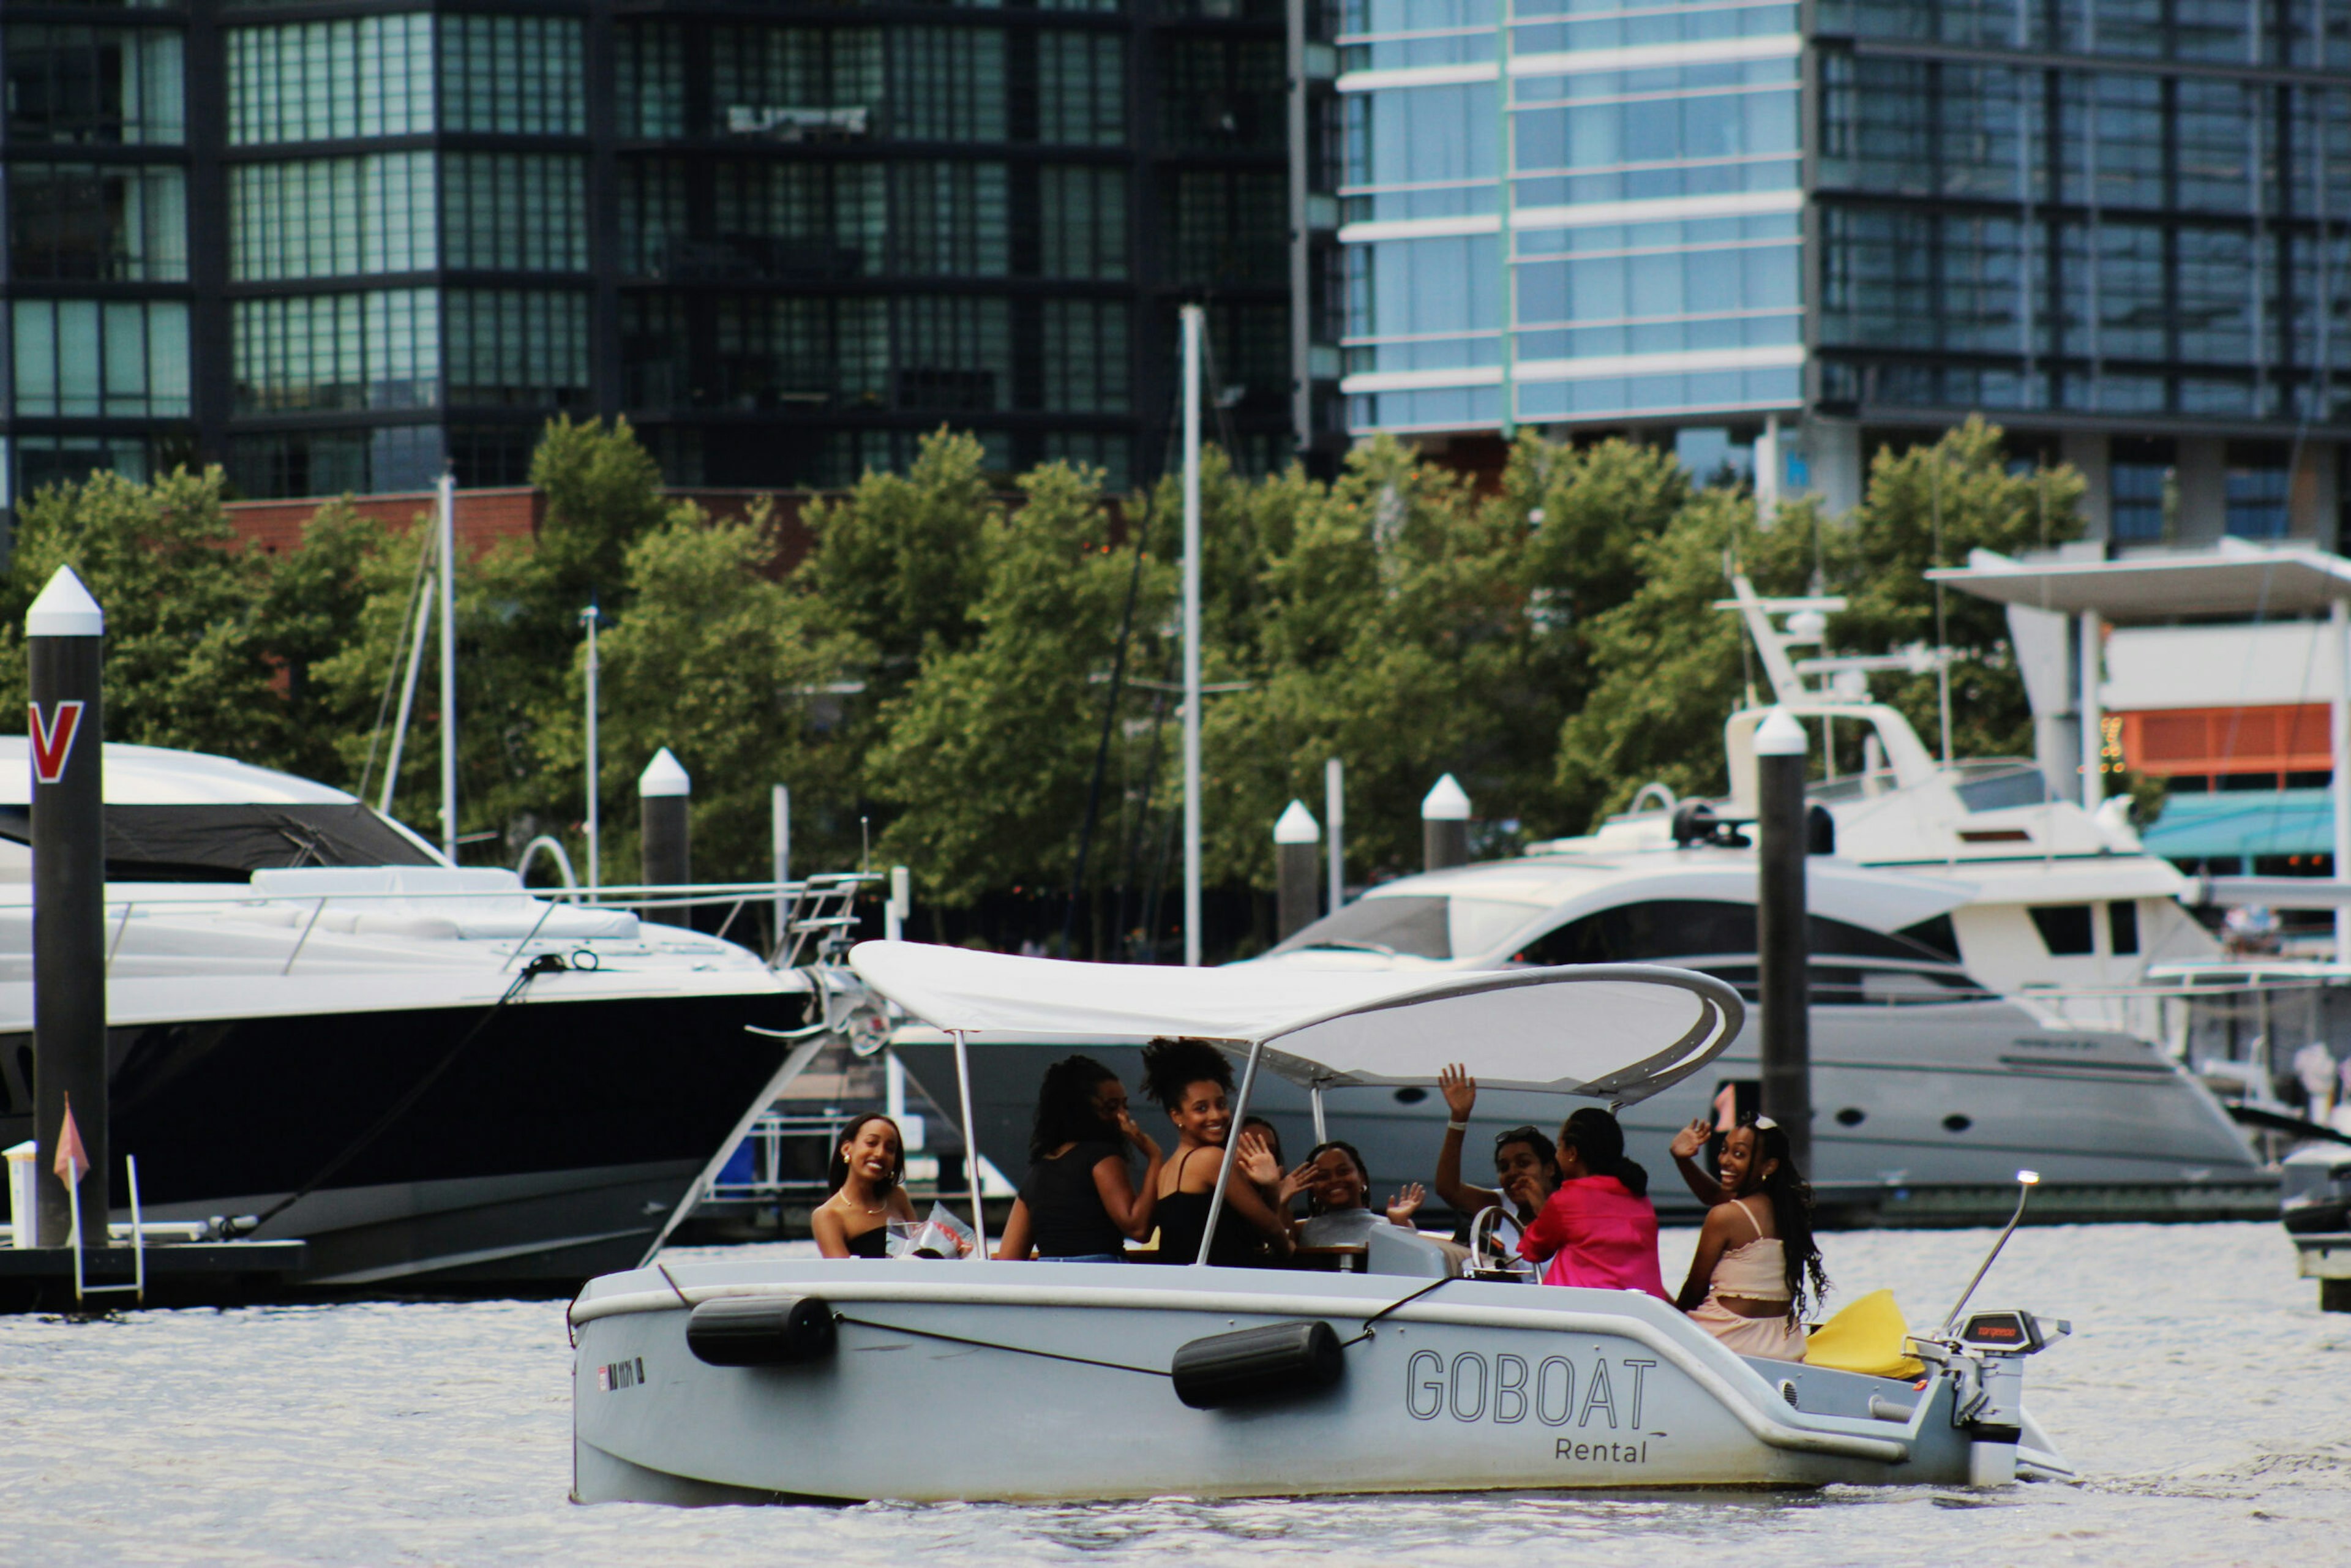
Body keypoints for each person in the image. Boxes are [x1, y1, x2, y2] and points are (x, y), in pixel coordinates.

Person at [1668, 1112, 1827, 1360]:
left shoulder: (1725, 1216)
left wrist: (1668, 1330)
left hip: (1726, 1338)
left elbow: (1695, 1289)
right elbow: (1716, 1196)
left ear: (1769, 1166)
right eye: (1724, 1150)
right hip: (1782, 1344)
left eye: (1739, 1154)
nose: (1725, 1161)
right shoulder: (1789, 1210)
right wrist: (1683, 1161)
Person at [1139, 1037, 1296, 1266]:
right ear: (1177, 1116)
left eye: (1221, 1105)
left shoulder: (1167, 1170)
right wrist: (1289, 1248)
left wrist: (1270, 1187)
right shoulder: (1210, 1159)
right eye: (1201, 1109)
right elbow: (1269, 1229)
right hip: (1219, 1287)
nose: (1216, 1116)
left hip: (1186, 1287)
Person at [995, 1055, 1163, 1262]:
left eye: (1124, 1106)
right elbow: (1139, 1228)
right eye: (1112, 1108)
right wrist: (1154, 1157)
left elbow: (1008, 1258)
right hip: (1100, 1277)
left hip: (1050, 1283)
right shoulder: (1102, 1157)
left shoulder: (1037, 1172)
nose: (1123, 1117)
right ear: (1080, 1110)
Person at [1515, 1106, 1668, 1299]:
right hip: (1642, 1309)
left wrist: (1540, 1210)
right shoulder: (1640, 1197)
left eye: (1559, 1146)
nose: (1557, 1154)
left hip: (1582, 1310)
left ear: (1572, 1153)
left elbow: (1533, 1251)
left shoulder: (1566, 1200)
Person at [1434, 1062, 1561, 1231]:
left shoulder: (1573, 1207)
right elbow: (1448, 1189)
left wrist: (1540, 1207)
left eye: (1524, 1163)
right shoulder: (1501, 1208)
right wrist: (1459, 1117)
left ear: (1550, 1169)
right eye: (1504, 1167)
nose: (1513, 1172)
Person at [812, 1113, 917, 1259]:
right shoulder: (828, 1216)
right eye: (872, 1143)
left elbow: (921, 1252)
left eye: (890, 1149)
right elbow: (842, 1276)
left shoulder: (897, 1197)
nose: (880, 1154)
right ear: (847, 1149)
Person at [1285, 1138, 1424, 1248]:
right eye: (1323, 1176)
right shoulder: (1302, 1230)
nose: (1334, 1180)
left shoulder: (1392, 1224)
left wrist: (1398, 1222)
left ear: (1362, 1178)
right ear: (1312, 1187)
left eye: (1343, 1172)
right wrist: (1281, 1200)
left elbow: (1409, 1266)